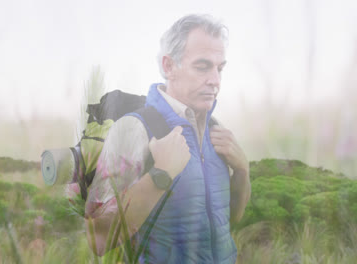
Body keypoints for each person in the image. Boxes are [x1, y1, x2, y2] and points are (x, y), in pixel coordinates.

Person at [84, 14, 251, 264]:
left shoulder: (218, 130)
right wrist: (161, 175)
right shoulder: (133, 129)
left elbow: (230, 219)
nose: (215, 80)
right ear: (169, 66)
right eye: (203, 66)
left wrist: (242, 171)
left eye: (220, 68)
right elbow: (98, 239)